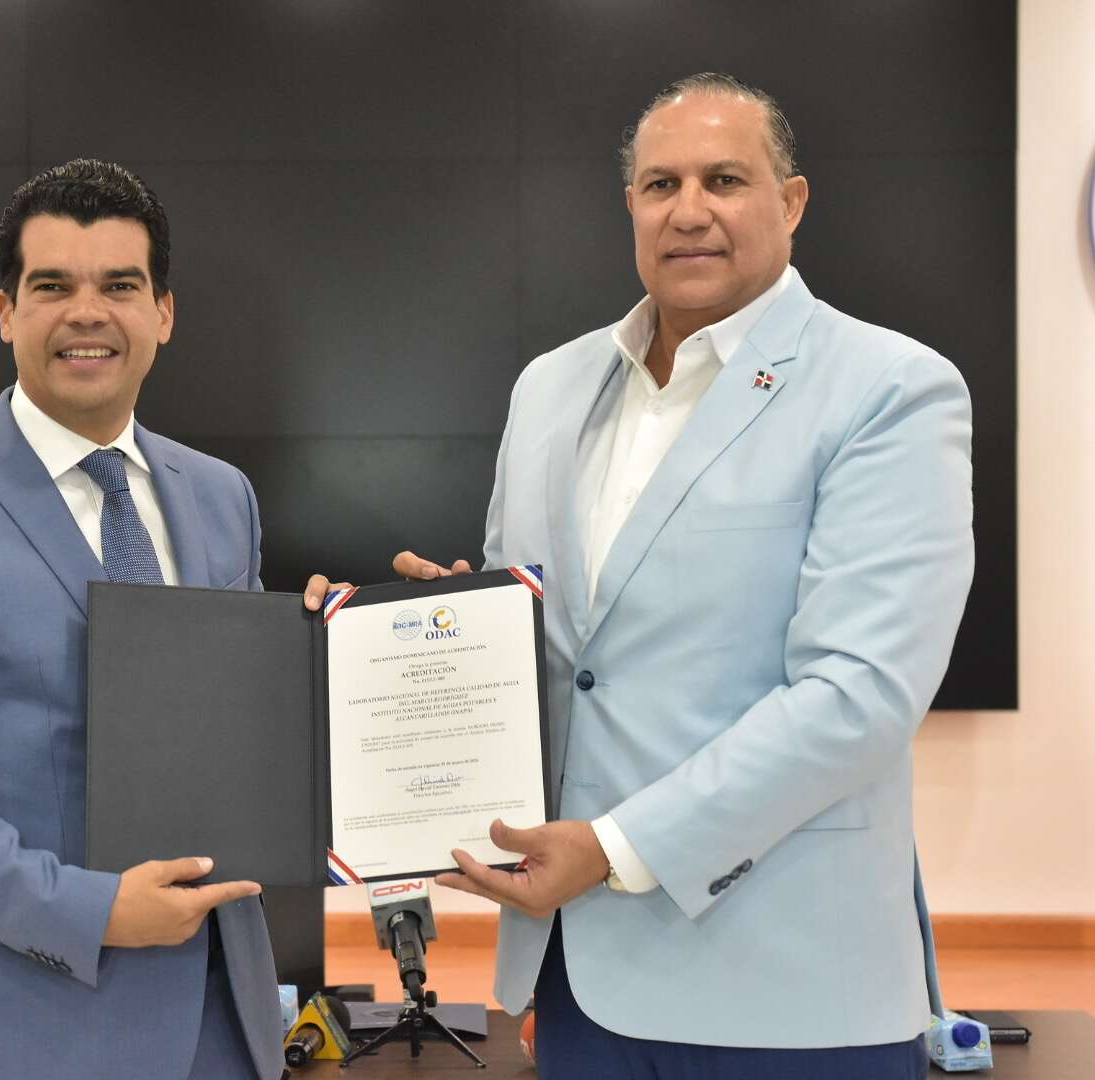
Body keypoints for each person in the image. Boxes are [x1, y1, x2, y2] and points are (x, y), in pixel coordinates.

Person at [307, 73, 972, 1078]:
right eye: (661, 184)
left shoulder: (890, 389)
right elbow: (565, 655)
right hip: (577, 982)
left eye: (725, 179)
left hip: (791, 991)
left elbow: (860, 696)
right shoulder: (549, 387)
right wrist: (456, 629)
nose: (690, 210)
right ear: (630, 210)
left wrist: (615, 847)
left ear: (790, 203)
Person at [0, 159, 284, 1080]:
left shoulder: (222, 497)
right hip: (28, 1026)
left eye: (121, 285)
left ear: (163, 313)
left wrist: (338, 659)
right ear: (6, 313)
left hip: (223, 1022)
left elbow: (235, 731)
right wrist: (92, 910)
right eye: (52, 286)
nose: (88, 312)